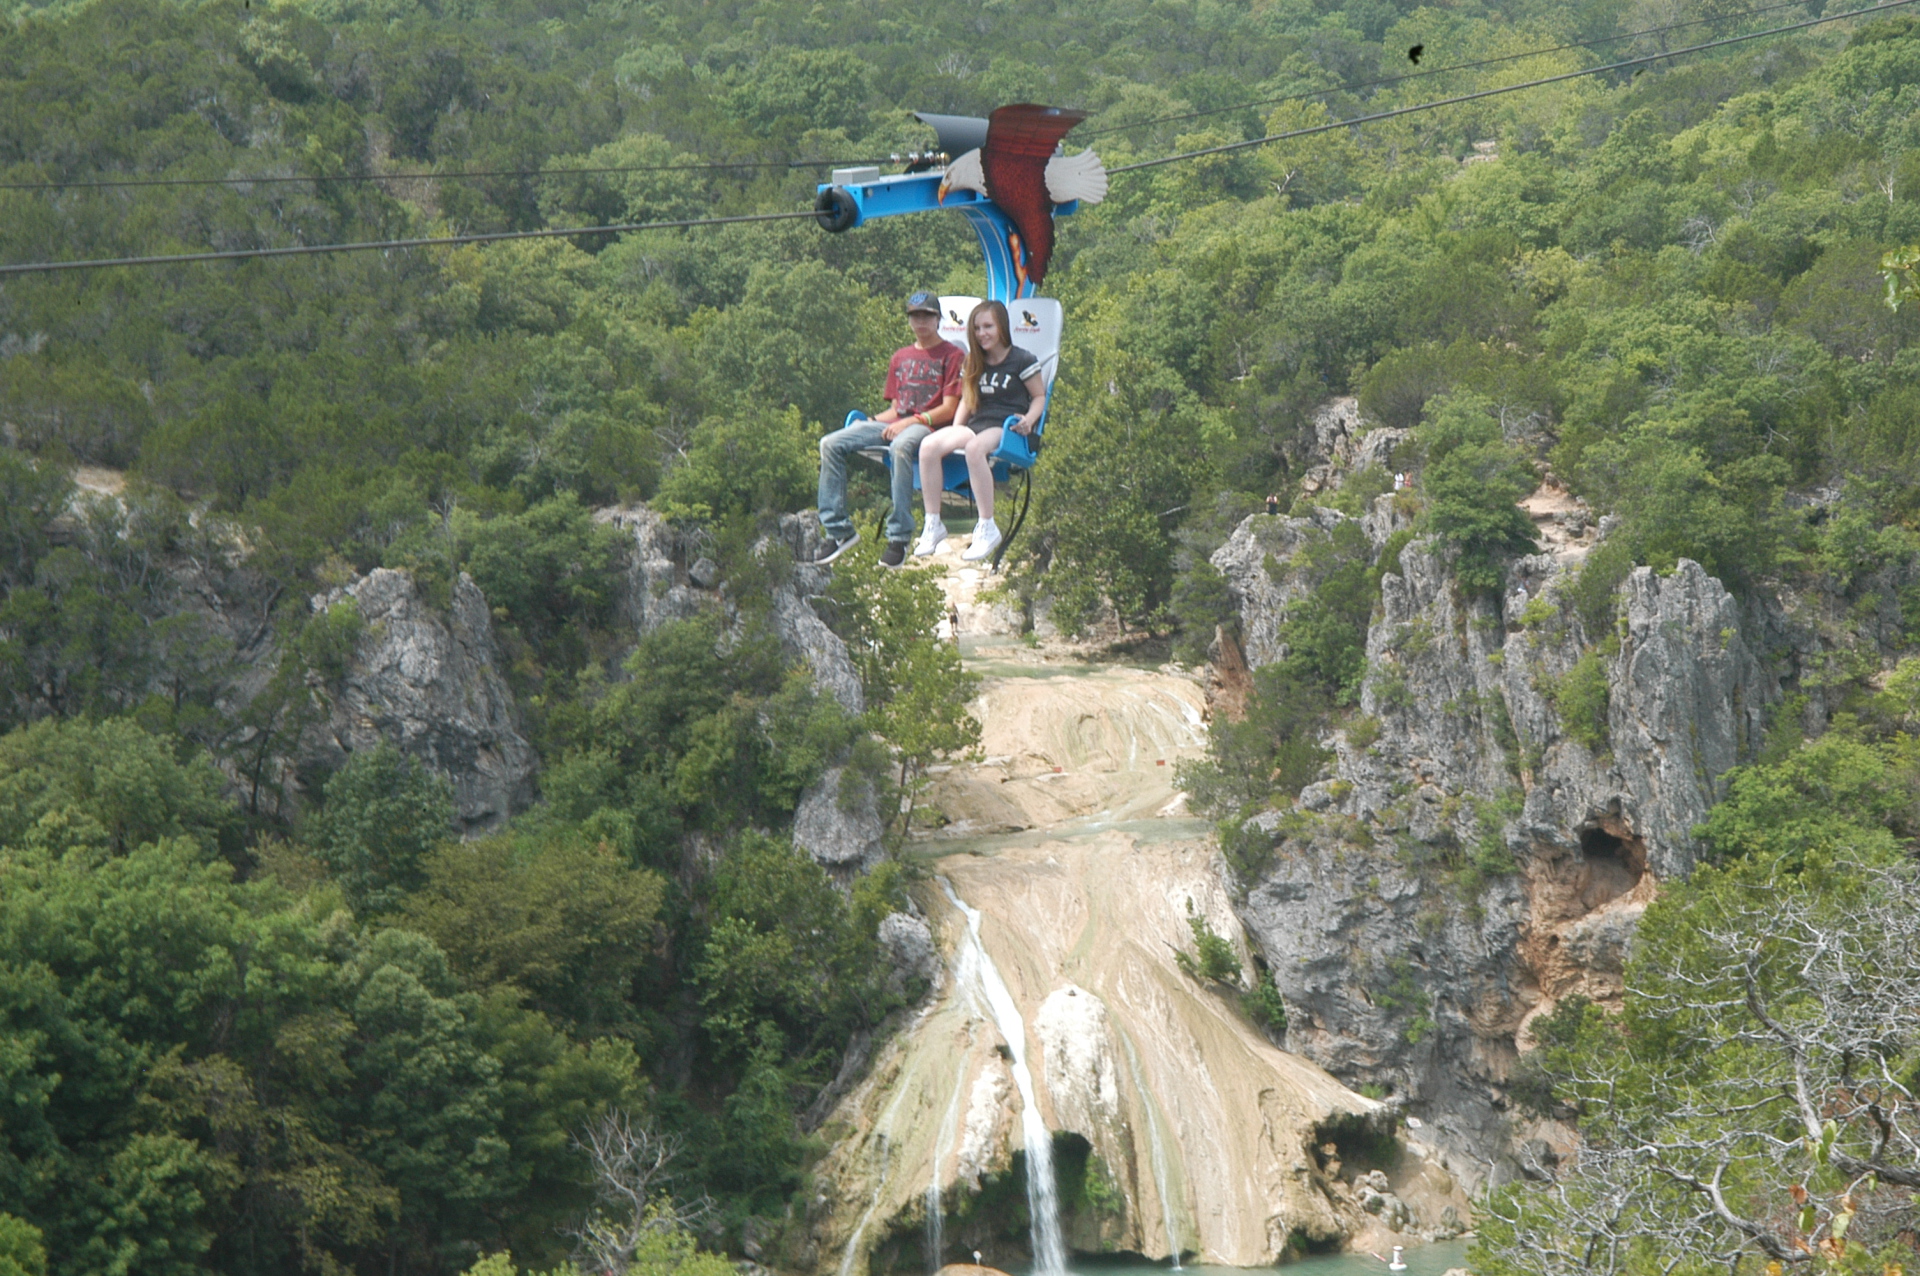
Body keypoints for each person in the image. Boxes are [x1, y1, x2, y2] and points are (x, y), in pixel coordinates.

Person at [815, 291, 965, 566]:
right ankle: (839, 531)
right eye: (915, 316)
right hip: (898, 422)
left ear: (938, 319)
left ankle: (899, 536)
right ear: (909, 319)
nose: (921, 321)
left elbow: (949, 408)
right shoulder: (900, 357)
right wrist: (870, 421)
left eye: (927, 316)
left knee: (899, 447)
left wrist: (912, 421)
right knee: (830, 443)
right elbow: (897, 408)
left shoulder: (953, 355)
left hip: (930, 427)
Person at [914, 299, 1045, 561]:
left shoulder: (1022, 360)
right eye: (977, 328)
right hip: (978, 422)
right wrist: (954, 432)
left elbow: (1039, 396)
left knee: (975, 449)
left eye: (988, 327)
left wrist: (1030, 419)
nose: (982, 333)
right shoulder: (974, 362)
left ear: (1002, 328)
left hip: (1008, 425)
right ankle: (933, 522)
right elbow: (966, 399)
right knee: (929, 446)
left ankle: (987, 525)